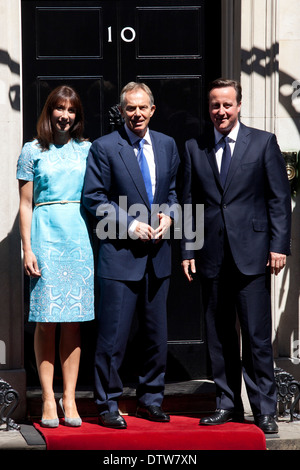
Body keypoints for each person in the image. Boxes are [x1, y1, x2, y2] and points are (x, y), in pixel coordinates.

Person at [181, 78, 291, 434]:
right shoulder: (194, 148)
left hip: (253, 255)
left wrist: (279, 246)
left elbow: (278, 200)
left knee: (257, 337)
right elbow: (189, 203)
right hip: (211, 256)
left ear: (238, 106)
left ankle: (264, 409)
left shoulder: (262, 143)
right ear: (208, 108)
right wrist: (188, 247)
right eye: (215, 105)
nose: (221, 112)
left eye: (227, 105)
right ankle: (227, 403)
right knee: (219, 334)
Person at [83, 82, 180, 429]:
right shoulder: (105, 148)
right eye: (130, 108)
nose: (136, 114)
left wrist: (170, 214)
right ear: (121, 111)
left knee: (156, 336)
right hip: (120, 256)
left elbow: (172, 190)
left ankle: (150, 400)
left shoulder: (168, 145)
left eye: (142, 108)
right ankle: (107, 404)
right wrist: (130, 225)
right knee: (112, 338)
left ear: (152, 110)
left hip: (159, 256)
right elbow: (94, 199)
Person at [17, 85, 94, 428]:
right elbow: (24, 203)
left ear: (77, 115)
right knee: (46, 321)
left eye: (71, 110)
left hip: (79, 237)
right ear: (49, 111)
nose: (65, 116)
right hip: (45, 237)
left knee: (73, 322)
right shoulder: (32, 150)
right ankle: (48, 397)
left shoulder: (88, 150)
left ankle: (70, 398)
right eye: (59, 109)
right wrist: (27, 248)